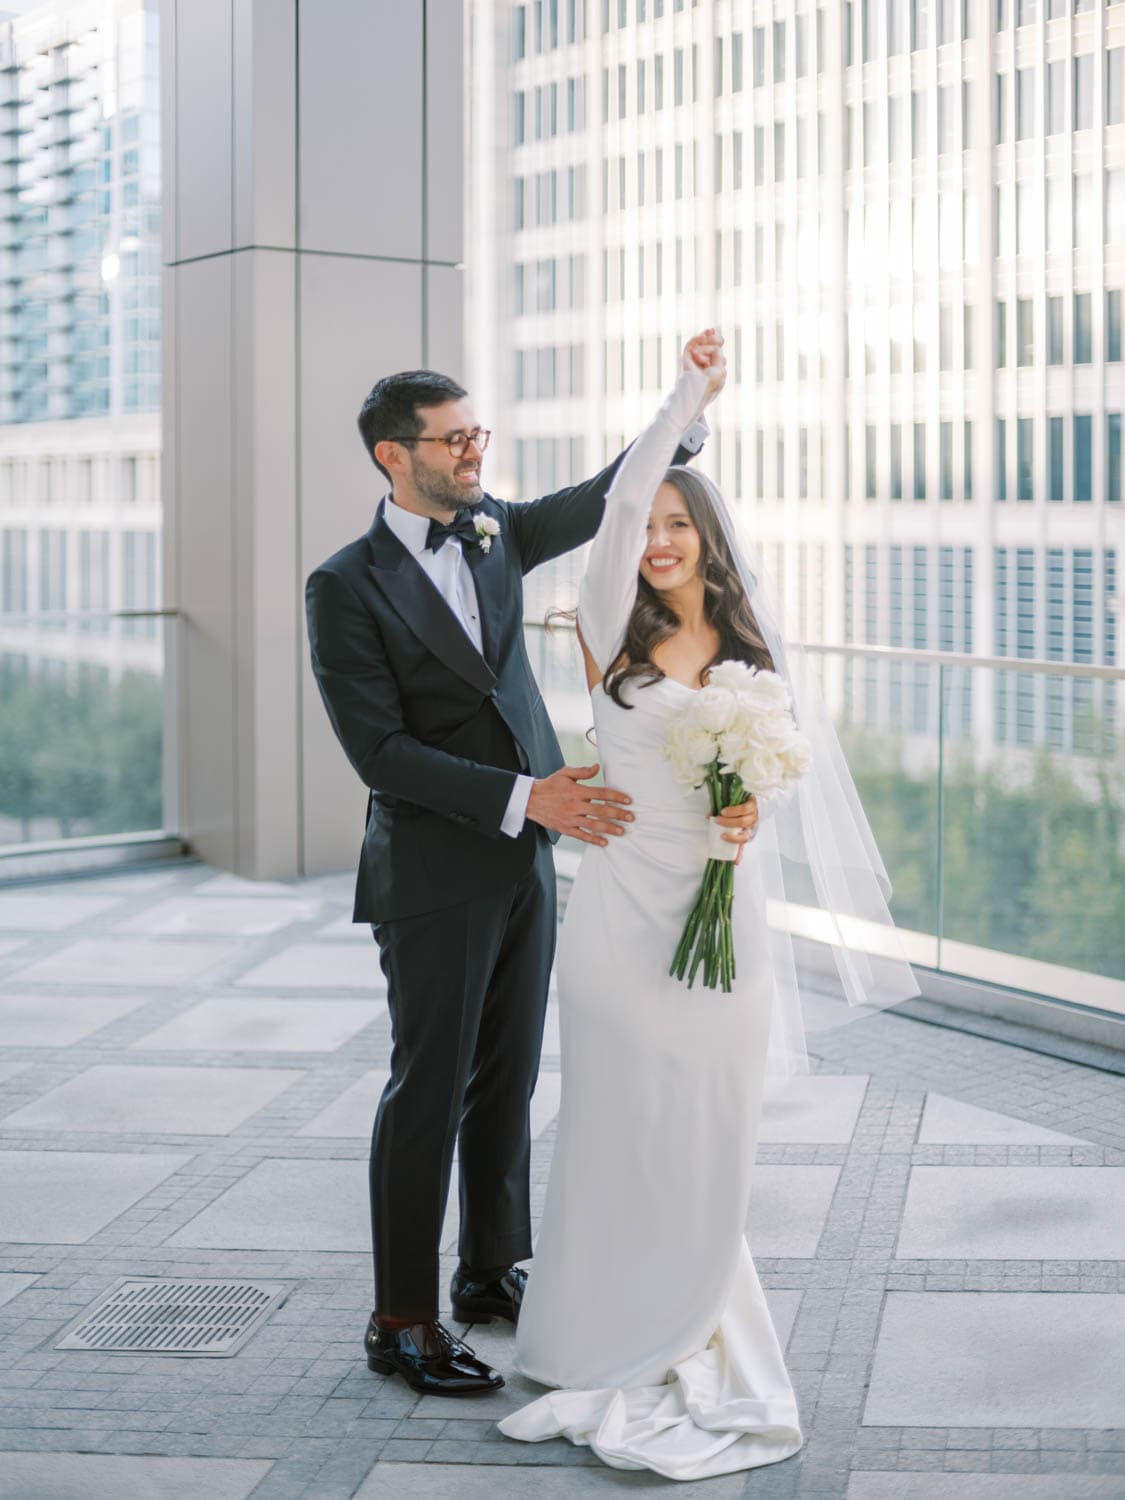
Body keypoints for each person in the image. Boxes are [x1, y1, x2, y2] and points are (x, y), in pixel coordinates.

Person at [498, 335, 919, 1478]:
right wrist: (687, 400)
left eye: (684, 526)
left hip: (723, 932)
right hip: (618, 932)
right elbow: (630, 487)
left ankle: (691, 1317)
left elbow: (781, 773)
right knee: (613, 1134)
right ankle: (601, 1335)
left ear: (710, 540)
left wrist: (750, 817)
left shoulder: (749, 648)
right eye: (652, 527)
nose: (663, 540)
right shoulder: (603, 632)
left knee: (709, 1137)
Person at [304, 343, 717, 1396]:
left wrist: (688, 402)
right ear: (396, 456)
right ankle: (401, 1317)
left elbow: (605, 498)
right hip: (437, 868)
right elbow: (378, 751)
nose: (476, 449)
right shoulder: (343, 586)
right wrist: (529, 796)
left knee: (508, 1081)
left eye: (479, 432)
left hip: (527, 859)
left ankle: (490, 1272)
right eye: (457, 438)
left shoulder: (495, 531)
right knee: (428, 1090)